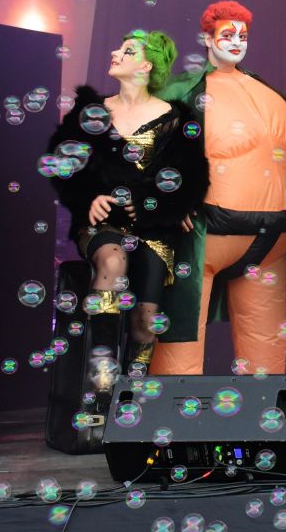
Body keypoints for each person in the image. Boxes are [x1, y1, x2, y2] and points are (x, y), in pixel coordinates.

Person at [153, 1, 286, 377]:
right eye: (227, 34)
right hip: (207, 233)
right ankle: (175, 407)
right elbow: (151, 155)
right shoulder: (183, 92)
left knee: (266, 355)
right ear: (207, 38)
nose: (237, 41)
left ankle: (265, 406)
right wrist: (172, 201)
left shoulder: (272, 94)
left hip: (276, 239)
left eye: (243, 35)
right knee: (181, 336)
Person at [45, 30, 208, 373]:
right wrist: (88, 200)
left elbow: (190, 179)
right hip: (105, 224)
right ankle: (103, 374)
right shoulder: (90, 112)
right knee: (112, 261)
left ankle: (132, 393)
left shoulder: (176, 119)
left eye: (128, 50)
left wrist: (160, 203)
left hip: (153, 229)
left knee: (146, 321)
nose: (115, 53)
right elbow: (63, 166)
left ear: (146, 66)